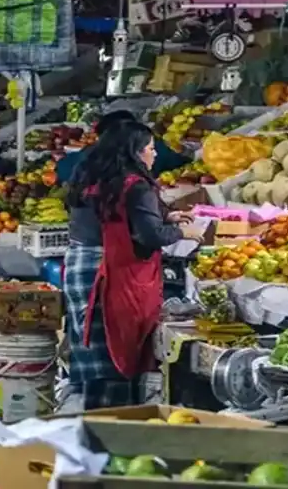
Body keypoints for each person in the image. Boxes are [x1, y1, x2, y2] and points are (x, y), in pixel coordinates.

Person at [77, 122, 201, 408]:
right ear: (135, 152)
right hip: (118, 278)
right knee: (118, 354)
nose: (155, 154)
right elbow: (150, 235)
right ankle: (116, 423)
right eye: (150, 148)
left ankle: (95, 420)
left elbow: (123, 216)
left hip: (90, 268)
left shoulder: (101, 177)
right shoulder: (137, 185)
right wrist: (182, 232)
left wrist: (163, 217)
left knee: (97, 359)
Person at [60, 110, 136, 412]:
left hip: (78, 261)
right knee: (109, 355)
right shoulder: (122, 176)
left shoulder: (85, 163)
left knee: (87, 345)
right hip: (103, 265)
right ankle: (101, 425)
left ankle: (83, 416)